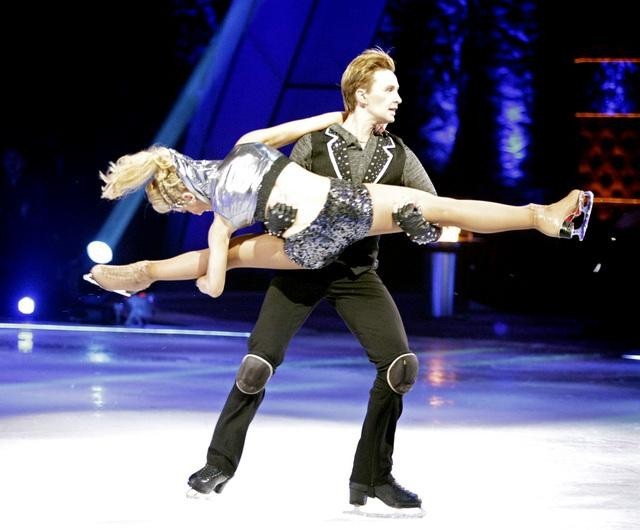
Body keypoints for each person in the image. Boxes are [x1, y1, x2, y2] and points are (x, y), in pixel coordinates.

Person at [87, 49, 593, 511]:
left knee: (399, 364)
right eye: (389, 89)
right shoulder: (289, 145)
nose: (399, 96)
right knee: (255, 359)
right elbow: (285, 164)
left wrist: (417, 229)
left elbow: (430, 225)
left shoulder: (397, 157)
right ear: (361, 95)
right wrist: (280, 214)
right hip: (313, 248)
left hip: (348, 263)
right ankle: (218, 461)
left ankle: (372, 477)